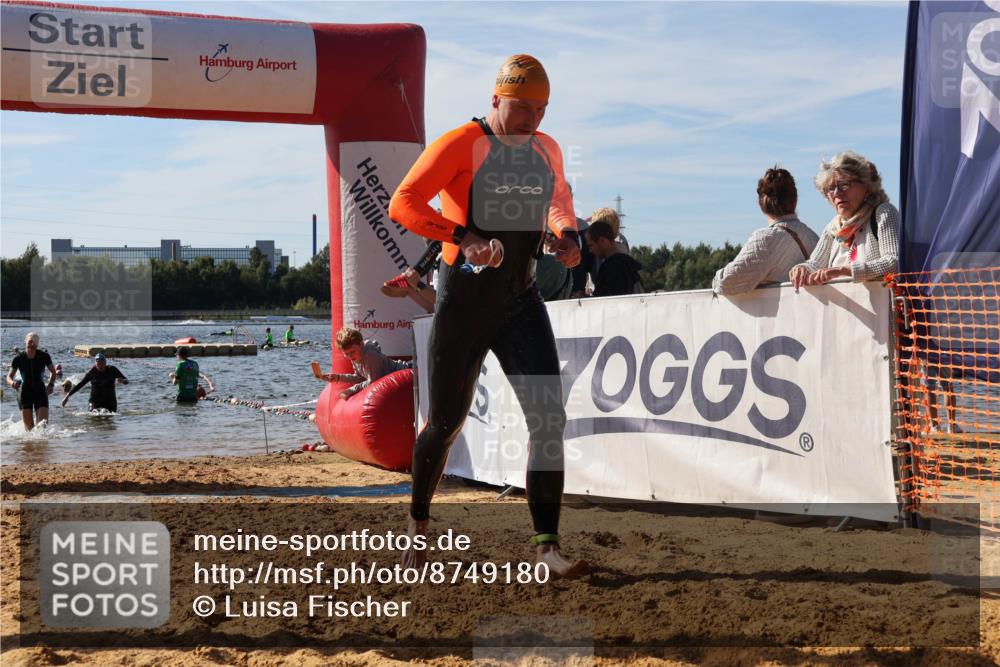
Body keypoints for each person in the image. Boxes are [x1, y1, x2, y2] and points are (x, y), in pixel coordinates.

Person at [388, 54, 586, 577]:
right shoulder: (460, 144)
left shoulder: (545, 149)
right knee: (445, 423)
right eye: (522, 108)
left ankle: (548, 548)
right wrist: (462, 236)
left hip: (521, 300)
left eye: (541, 110)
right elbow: (403, 202)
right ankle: (418, 525)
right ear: (496, 99)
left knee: (549, 420)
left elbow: (558, 198)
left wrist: (566, 235)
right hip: (464, 303)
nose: (532, 120)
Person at [790, 151, 899, 289]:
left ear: (866, 187)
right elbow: (815, 264)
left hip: (880, 303)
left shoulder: (883, 213)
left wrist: (844, 271)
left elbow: (894, 262)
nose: (836, 193)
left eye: (844, 185)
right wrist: (802, 269)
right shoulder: (833, 227)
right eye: (830, 189)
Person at [713, 167, 819, 295]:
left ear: (761, 205)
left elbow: (726, 283)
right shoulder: (815, 239)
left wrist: (717, 277)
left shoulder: (765, 240)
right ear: (795, 200)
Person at [321, 327, 412, 400]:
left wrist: (352, 390)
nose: (350, 356)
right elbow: (360, 378)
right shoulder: (356, 356)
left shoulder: (370, 355)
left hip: (407, 372)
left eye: (352, 352)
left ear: (361, 344)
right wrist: (338, 377)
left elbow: (374, 381)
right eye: (346, 353)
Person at [6, 332, 56, 431]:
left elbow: (53, 372)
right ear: (25, 341)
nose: (32, 344)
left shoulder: (44, 356)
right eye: (30, 341)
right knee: (29, 430)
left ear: (37, 344)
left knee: (42, 427)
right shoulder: (18, 358)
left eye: (34, 342)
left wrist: (51, 385)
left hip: (40, 392)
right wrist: (13, 383)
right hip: (24, 393)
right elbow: (9, 377)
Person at [381, 239, 442, 313]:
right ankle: (408, 286)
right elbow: (436, 305)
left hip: (446, 305)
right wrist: (415, 285)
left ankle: (408, 284)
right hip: (442, 307)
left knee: (437, 242)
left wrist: (417, 285)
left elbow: (443, 302)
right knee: (412, 284)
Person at [587, 221, 643, 297]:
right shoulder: (629, 264)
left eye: (591, 245)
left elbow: (606, 300)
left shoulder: (612, 268)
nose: (590, 250)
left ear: (602, 240)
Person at [61, 353, 129, 413]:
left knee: (110, 418)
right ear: (95, 364)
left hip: (110, 401)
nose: (100, 366)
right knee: (92, 416)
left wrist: (123, 381)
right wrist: (67, 396)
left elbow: (127, 381)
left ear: (105, 362)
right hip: (95, 401)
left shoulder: (112, 370)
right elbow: (80, 385)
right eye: (98, 364)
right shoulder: (92, 372)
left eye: (102, 364)